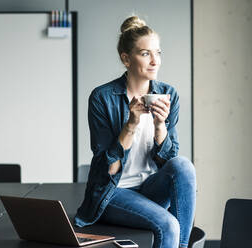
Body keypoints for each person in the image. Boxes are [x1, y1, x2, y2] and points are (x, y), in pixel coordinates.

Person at [74, 16, 196, 248]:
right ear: (126, 58)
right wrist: (130, 124)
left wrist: (160, 125)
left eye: (158, 53)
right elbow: (106, 169)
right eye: (145, 53)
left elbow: (170, 165)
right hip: (114, 192)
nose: (155, 61)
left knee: (184, 166)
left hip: (151, 189)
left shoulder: (168, 94)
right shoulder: (102, 97)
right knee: (169, 224)